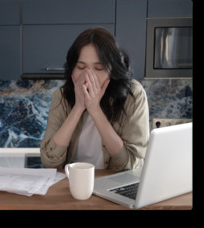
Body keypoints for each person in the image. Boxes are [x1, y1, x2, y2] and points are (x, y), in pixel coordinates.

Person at [40, 27, 149, 171]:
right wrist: (79, 107)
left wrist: (94, 109)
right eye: (80, 67)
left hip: (113, 183)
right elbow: (49, 161)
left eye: (98, 68)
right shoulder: (61, 96)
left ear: (113, 70)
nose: (88, 76)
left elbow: (131, 164)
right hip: (74, 183)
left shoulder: (133, 94)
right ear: (72, 69)